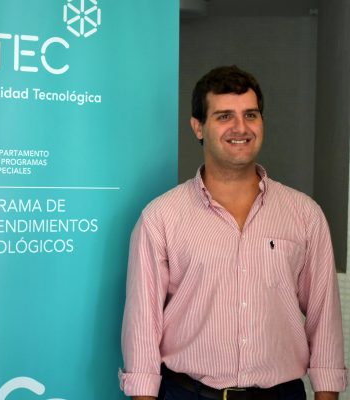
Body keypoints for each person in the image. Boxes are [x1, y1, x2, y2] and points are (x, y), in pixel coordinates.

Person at [119, 65, 347, 400]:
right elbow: (142, 326)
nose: (241, 128)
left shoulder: (305, 215)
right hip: (188, 394)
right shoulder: (161, 217)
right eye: (224, 116)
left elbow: (324, 318)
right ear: (198, 127)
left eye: (250, 115)